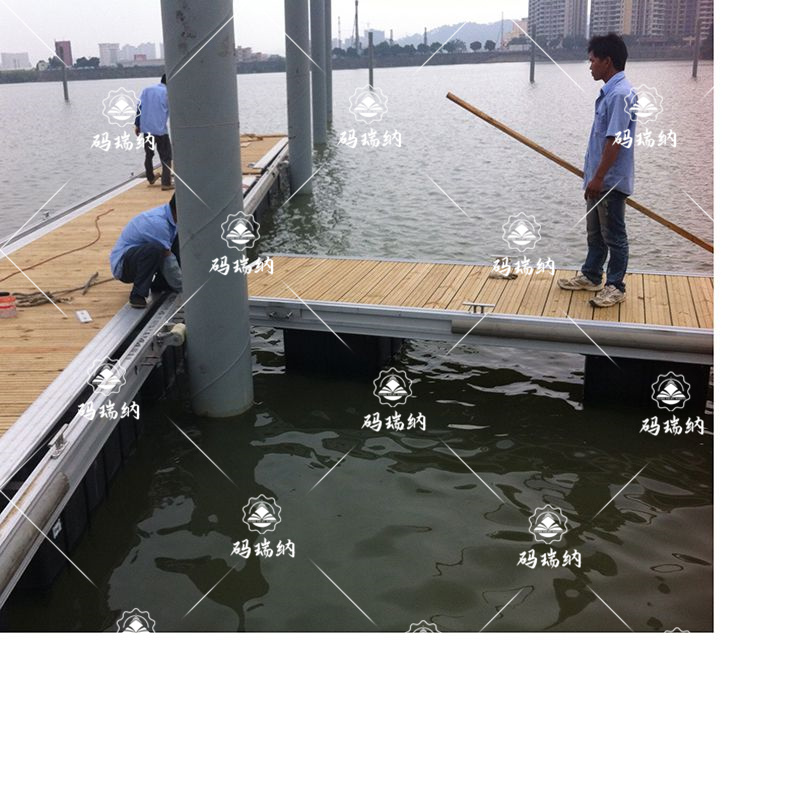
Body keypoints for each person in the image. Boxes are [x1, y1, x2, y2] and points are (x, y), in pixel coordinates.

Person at [557, 33, 636, 308]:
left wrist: (600, 177)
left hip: (609, 181)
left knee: (614, 236)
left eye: (592, 61)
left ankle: (615, 286)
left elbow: (615, 141)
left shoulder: (621, 94)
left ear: (607, 61)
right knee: (595, 233)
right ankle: (592, 275)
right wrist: (591, 176)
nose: (590, 66)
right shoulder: (609, 93)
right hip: (597, 178)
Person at [109, 194, 182, 309]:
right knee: (155, 249)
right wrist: (183, 287)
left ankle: (161, 284)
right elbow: (168, 259)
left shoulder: (172, 216)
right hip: (124, 267)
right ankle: (137, 295)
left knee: (179, 240)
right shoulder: (158, 223)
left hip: (141, 257)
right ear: (179, 211)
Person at [135, 74, 172, 190]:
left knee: (149, 154)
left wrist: (137, 124)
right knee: (166, 157)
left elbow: (139, 107)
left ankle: (150, 177)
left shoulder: (147, 90)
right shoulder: (168, 93)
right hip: (161, 130)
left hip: (147, 129)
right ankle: (166, 183)